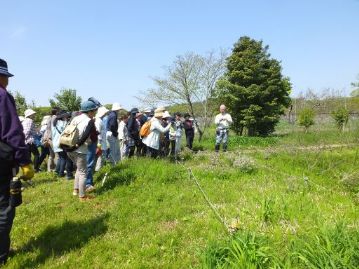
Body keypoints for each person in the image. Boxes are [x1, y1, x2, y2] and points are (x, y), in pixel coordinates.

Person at [0, 58, 34, 265]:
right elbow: (12, 132)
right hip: (1, 162)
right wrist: (24, 161)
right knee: (4, 207)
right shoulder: (2, 95)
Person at [67, 100, 97, 201]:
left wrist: (72, 146)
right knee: (83, 172)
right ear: (89, 111)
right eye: (94, 110)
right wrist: (77, 145)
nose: (95, 112)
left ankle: (75, 190)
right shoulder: (89, 120)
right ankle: (82, 196)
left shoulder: (75, 118)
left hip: (69, 147)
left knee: (78, 170)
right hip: (80, 149)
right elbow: (85, 136)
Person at [52, 111, 73, 179]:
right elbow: (66, 131)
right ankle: (61, 173)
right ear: (63, 116)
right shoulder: (63, 123)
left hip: (55, 142)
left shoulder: (55, 123)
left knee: (61, 157)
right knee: (64, 158)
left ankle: (57, 171)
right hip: (61, 142)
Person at [95, 106, 109, 172]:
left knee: (101, 156)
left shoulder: (100, 120)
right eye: (105, 113)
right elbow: (98, 132)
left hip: (101, 141)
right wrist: (99, 144)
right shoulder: (98, 121)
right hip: (99, 142)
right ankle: (98, 170)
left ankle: (99, 169)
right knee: (100, 157)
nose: (105, 114)